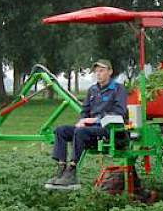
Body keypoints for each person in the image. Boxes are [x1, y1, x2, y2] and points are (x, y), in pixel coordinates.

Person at [45, 59, 128, 190]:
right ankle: (61, 168)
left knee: (81, 132)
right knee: (61, 130)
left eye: (102, 70)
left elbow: (119, 112)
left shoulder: (118, 89)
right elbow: (85, 111)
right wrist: (82, 120)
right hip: (90, 130)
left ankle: (72, 170)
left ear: (110, 72)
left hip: (109, 130)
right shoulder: (92, 90)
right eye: (96, 71)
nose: (98, 74)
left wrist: (95, 120)